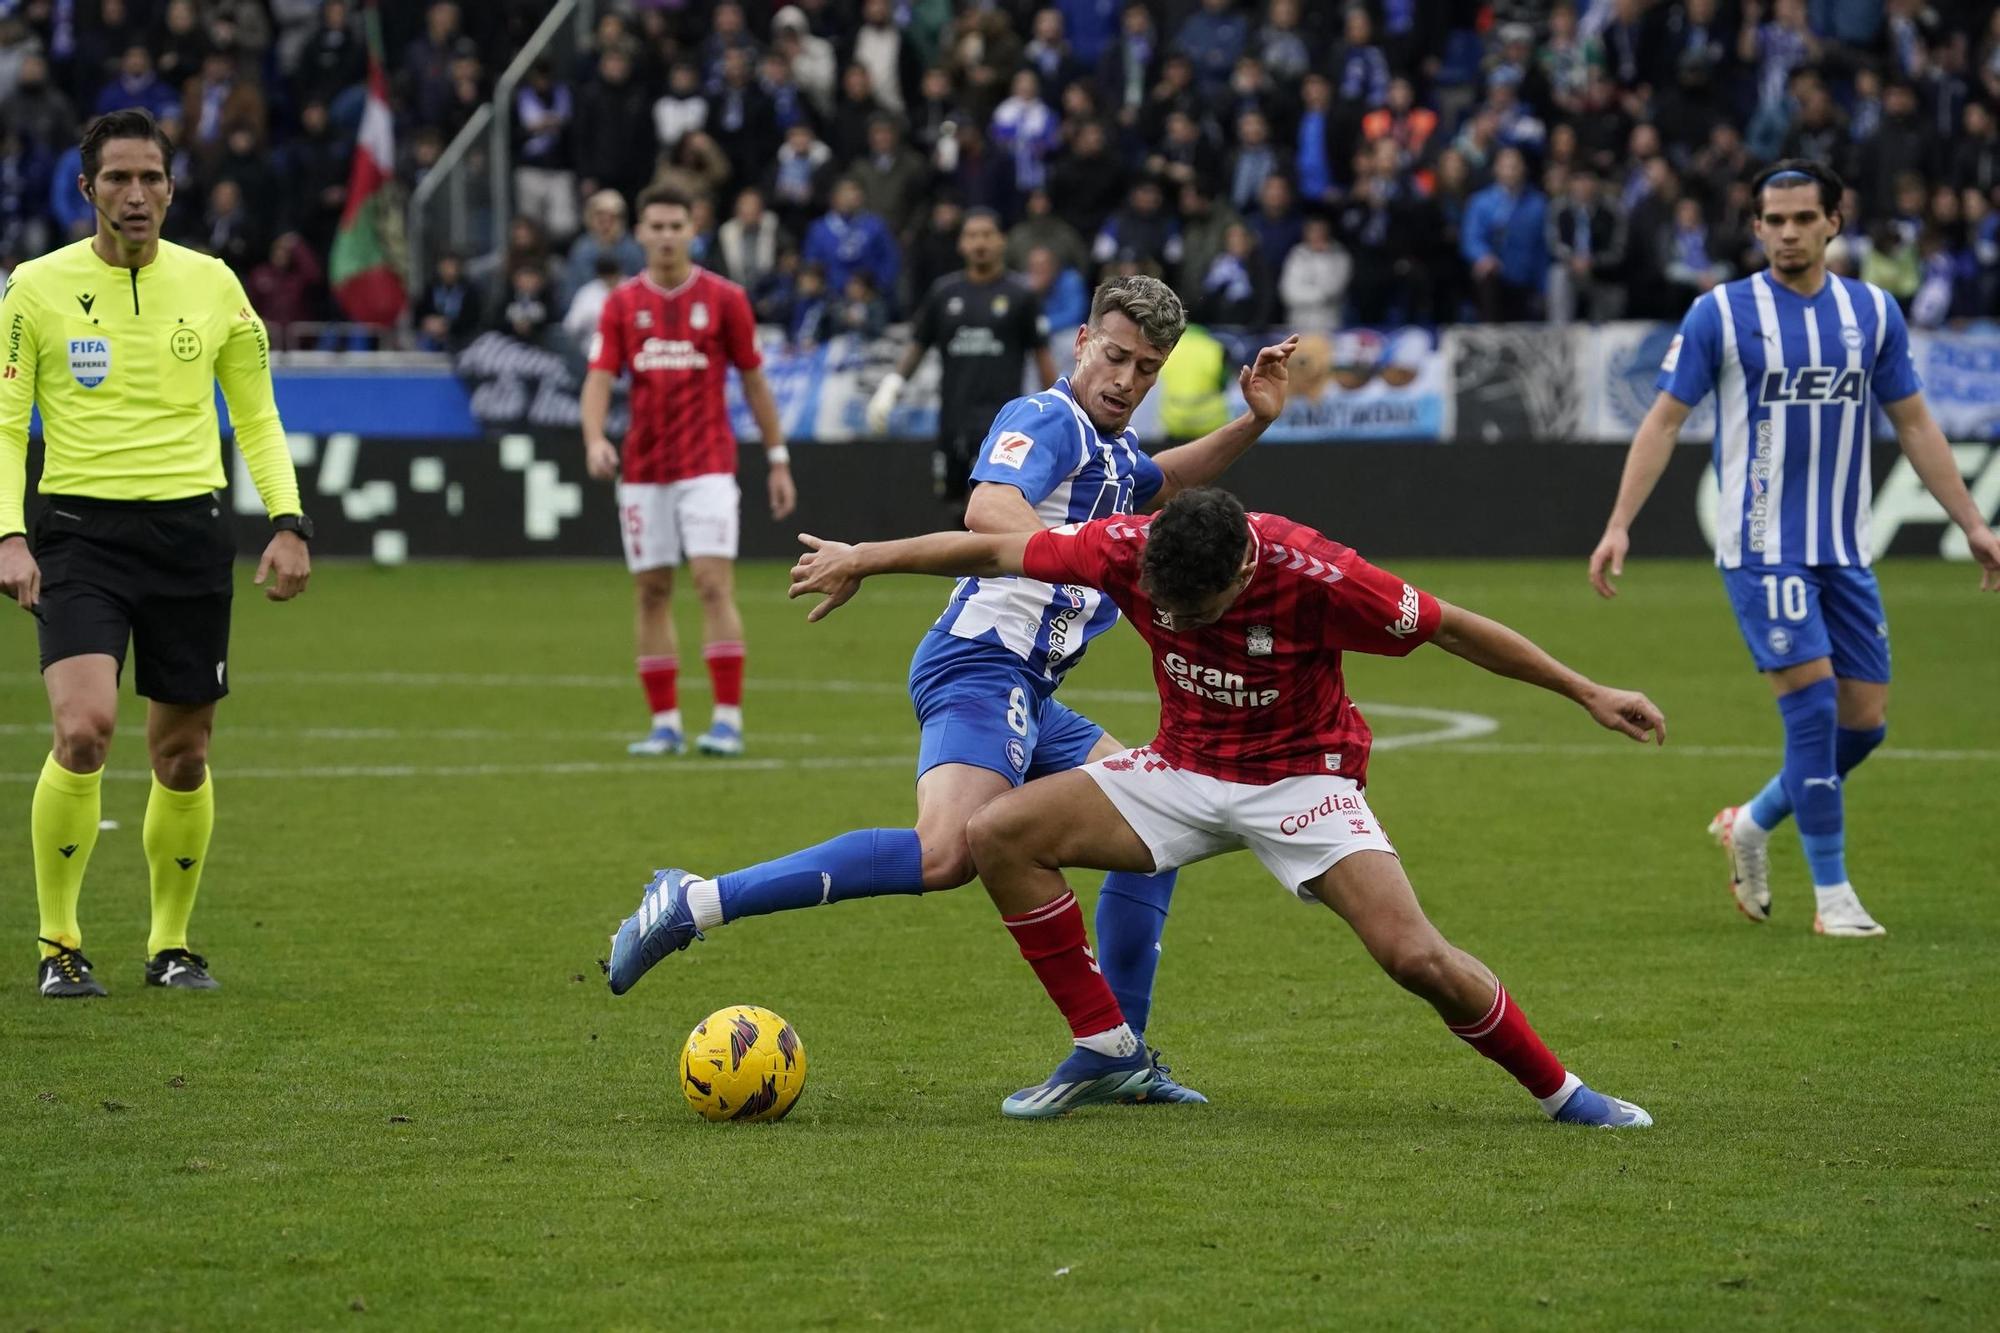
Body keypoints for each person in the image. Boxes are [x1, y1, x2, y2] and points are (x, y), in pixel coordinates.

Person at [606, 278, 1301, 1109]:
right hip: (979, 666)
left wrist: (1254, 419)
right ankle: (692, 901)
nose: (1126, 378)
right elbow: (989, 508)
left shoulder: (1110, 450)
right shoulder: (1044, 419)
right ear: (1081, 341)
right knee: (945, 855)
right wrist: (1077, 556)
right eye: (1115, 356)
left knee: (1158, 829)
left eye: (1147, 368)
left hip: (1032, 688)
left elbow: (1156, 480)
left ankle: (1117, 1050)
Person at [785, 487, 1663, 1126]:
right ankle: (1108, 1045)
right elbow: (988, 551)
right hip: (1180, 769)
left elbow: (1457, 628)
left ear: (1244, 567)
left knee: (1413, 955)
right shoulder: (1126, 546)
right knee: (994, 834)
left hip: (1301, 783)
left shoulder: (1324, 578)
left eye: (1194, 609)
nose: (1176, 620)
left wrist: (1584, 689)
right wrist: (865, 556)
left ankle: (1566, 1094)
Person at [1589, 160, 2000, 939]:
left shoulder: (1874, 312)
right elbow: (1665, 421)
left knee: (1865, 722)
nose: (1786, 232)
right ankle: (1834, 895)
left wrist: (1974, 523)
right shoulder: (1721, 312)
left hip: (1844, 546)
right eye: (1772, 220)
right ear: (1754, 227)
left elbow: (1914, 422)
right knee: (1811, 708)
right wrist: (1619, 522)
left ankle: (1753, 819)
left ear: (1833, 222)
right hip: (1760, 544)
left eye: (1802, 218)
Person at [0, 109, 312, 998]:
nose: (135, 196)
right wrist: (9, 533)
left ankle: (170, 944)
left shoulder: (215, 286)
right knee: (84, 727)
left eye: (150, 180)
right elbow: (4, 422)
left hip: (186, 535)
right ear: (87, 188)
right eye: (117, 180)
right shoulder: (33, 288)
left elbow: (256, 415)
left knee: (183, 755)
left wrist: (289, 522)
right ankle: (60, 941)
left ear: (172, 189)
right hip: (77, 533)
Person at [581, 184, 798, 759]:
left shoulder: (725, 299)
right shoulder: (621, 304)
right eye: (656, 226)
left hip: (707, 465)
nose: (667, 235)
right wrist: (594, 438)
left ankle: (726, 719)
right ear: (640, 234)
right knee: (651, 591)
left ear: (692, 231)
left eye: (677, 225)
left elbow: (754, 381)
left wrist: (778, 459)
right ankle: (665, 725)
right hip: (644, 469)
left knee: (710, 582)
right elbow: (599, 379)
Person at [866, 209, 1057, 501]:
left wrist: (1056, 408)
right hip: (953, 420)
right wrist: (892, 386)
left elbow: (1042, 355)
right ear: (961, 244)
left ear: (1001, 241)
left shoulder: (1021, 295)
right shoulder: (943, 293)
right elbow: (919, 344)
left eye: (987, 235)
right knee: (955, 504)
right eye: (972, 235)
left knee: (989, 503)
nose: (980, 243)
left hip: (1003, 424)